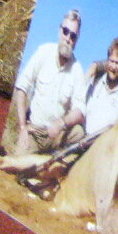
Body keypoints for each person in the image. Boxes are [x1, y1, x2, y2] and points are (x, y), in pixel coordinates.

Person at [8, 9, 84, 155]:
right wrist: (23, 127)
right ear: (59, 30)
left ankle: (56, 159)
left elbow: (79, 111)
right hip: (34, 132)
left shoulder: (77, 70)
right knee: (18, 166)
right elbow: (21, 87)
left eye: (73, 36)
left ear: (76, 40)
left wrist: (61, 123)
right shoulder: (43, 52)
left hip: (57, 135)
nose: (68, 38)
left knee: (79, 132)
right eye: (65, 31)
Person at [69, 37, 118, 142]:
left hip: (104, 147)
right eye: (111, 61)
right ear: (107, 61)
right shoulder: (95, 83)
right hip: (82, 141)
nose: (113, 66)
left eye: (117, 63)